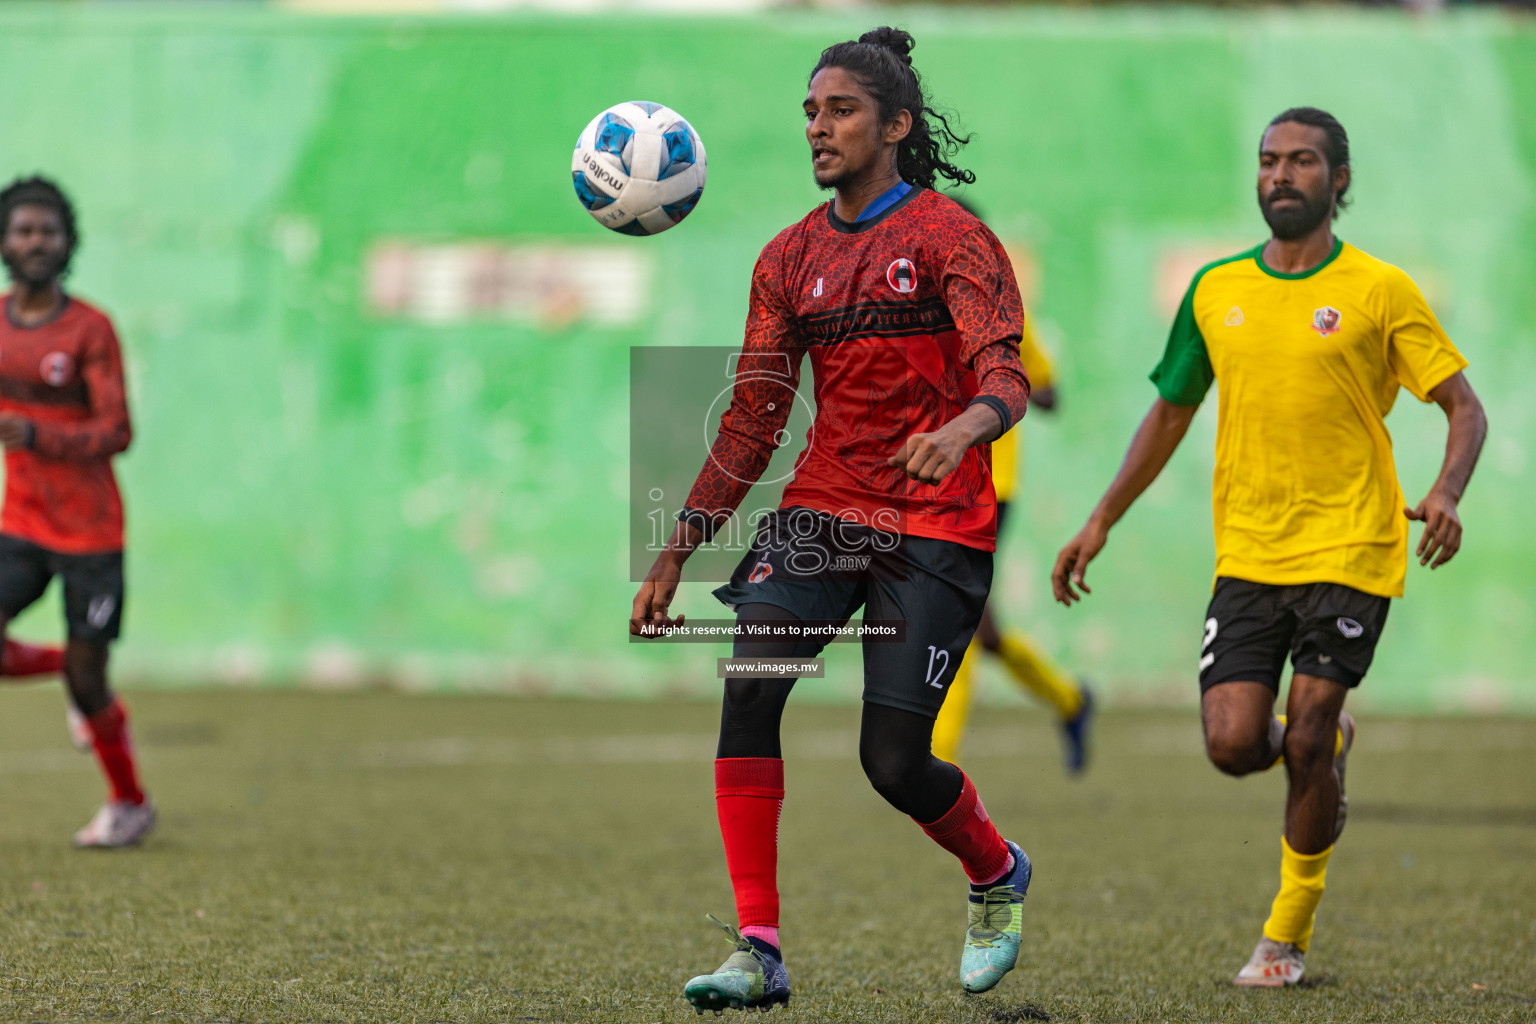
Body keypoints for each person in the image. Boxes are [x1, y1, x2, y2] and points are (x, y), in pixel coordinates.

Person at [631, 27, 1036, 1012]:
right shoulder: (788, 258)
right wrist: (678, 546)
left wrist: (964, 428)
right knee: (751, 682)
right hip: (822, 511)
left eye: (842, 109)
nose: (819, 127)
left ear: (894, 125)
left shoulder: (951, 237)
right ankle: (757, 948)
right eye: (811, 111)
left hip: (937, 519)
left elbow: (1006, 376)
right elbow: (755, 415)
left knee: (892, 762)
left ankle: (996, 872)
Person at [1051, 108, 1486, 986]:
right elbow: (1170, 412)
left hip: (1353, 548)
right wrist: (1101, 519)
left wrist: (1444, 491)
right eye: (1268, 162)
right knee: (1234, 743)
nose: (1281, 175)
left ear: (1339, 181)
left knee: (1310, 734)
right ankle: (1323, 748)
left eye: (1302, 162)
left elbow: (1464, 408)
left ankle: (1283, 940)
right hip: (1248, 554)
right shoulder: (1215, 291)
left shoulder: (1380, 290)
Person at [0, 176, 154, 848]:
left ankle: (129, 802)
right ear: (6, 241)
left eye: (49, 232)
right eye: (25, 230)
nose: (37, 242)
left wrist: (40, 435)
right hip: (21, 522)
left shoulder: (90, 329)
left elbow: (117, 431)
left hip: (91, 532)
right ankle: (65, 664)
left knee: (91, 679)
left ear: (69, 245)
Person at [931, 197, 1093, 775]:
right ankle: (1069, 699)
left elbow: (1047, 392)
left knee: (954, 615)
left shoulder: (999, 309)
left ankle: (937, 761)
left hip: (988, 487)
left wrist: (997, 380)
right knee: (982, 627)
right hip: (924, 485)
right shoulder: (905, 306)